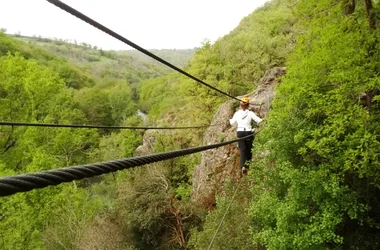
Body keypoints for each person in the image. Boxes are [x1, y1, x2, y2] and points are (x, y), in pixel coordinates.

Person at [229, 97, 262, 174]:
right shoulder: (250, 113)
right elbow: (258, 120)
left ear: (241, 105)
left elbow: (232, 122)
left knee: (243, 150)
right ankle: (247, 166)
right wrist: (264, 119)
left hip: (240, 132)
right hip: (248, 133)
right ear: (248, 105)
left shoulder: (237, 113)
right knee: (249, 149)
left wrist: (229, 120)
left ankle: (243, 167)